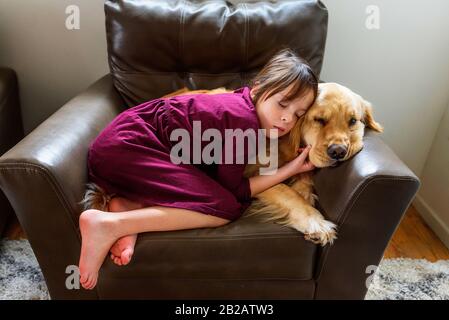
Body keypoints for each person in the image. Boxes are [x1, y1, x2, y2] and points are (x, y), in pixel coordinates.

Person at [78, 47, 319, 290]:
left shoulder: (240, 104)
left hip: (119, 148)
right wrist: (289, 170)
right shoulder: (245, 123)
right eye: (283, 104)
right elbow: (235, 190)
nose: (288, 118)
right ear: (258, 89)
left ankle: (126, 206)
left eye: (298, 114)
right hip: (127, 148)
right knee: (224, 208)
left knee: (202, 189)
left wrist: (291, 166)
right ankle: (108, 225)